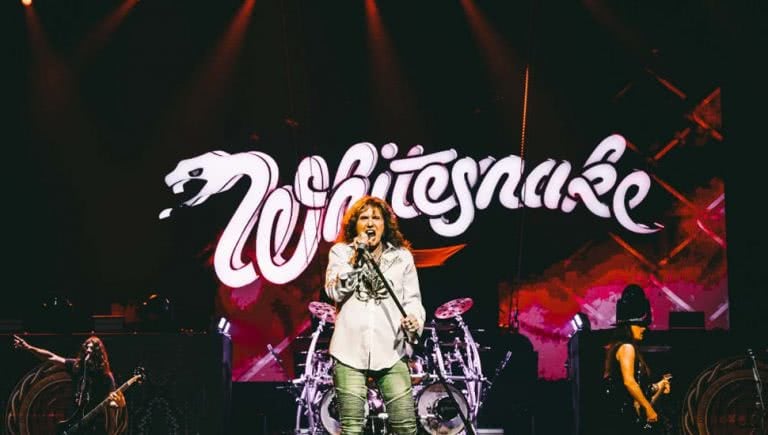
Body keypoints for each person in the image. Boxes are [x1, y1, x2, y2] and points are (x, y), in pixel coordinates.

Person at [324, 195, 425, 435]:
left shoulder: (401, 257)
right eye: (364, 218)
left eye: (376, 218)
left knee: (406, 426)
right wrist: (356, 259)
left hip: (391, 350)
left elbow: (413, 300)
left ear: (385, 225)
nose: (370, 223)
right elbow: (334, 291)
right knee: (351, 429)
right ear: (355, 225)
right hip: (349, 351)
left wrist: (414, 319)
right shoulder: (340, 253)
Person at [13, 334, 127, 435]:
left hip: (94, 424)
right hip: (74, 422)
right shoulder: (77, 367)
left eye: (92, 348)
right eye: (86, 347)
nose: (88, 350)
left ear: (98, 352)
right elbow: (51, 357)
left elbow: (113, 400)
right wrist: (29, 347)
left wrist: (119, 403)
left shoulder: (105, 376)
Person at [603, 284, 672, 434]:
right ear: (629, 326)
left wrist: (659, 386)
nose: (644, 329)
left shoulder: (622, 347)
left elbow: (636, 387)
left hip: (626, 416)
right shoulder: (627, 348)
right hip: (627, 418)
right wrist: (648, 409)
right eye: (640, 324)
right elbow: (629, 382)